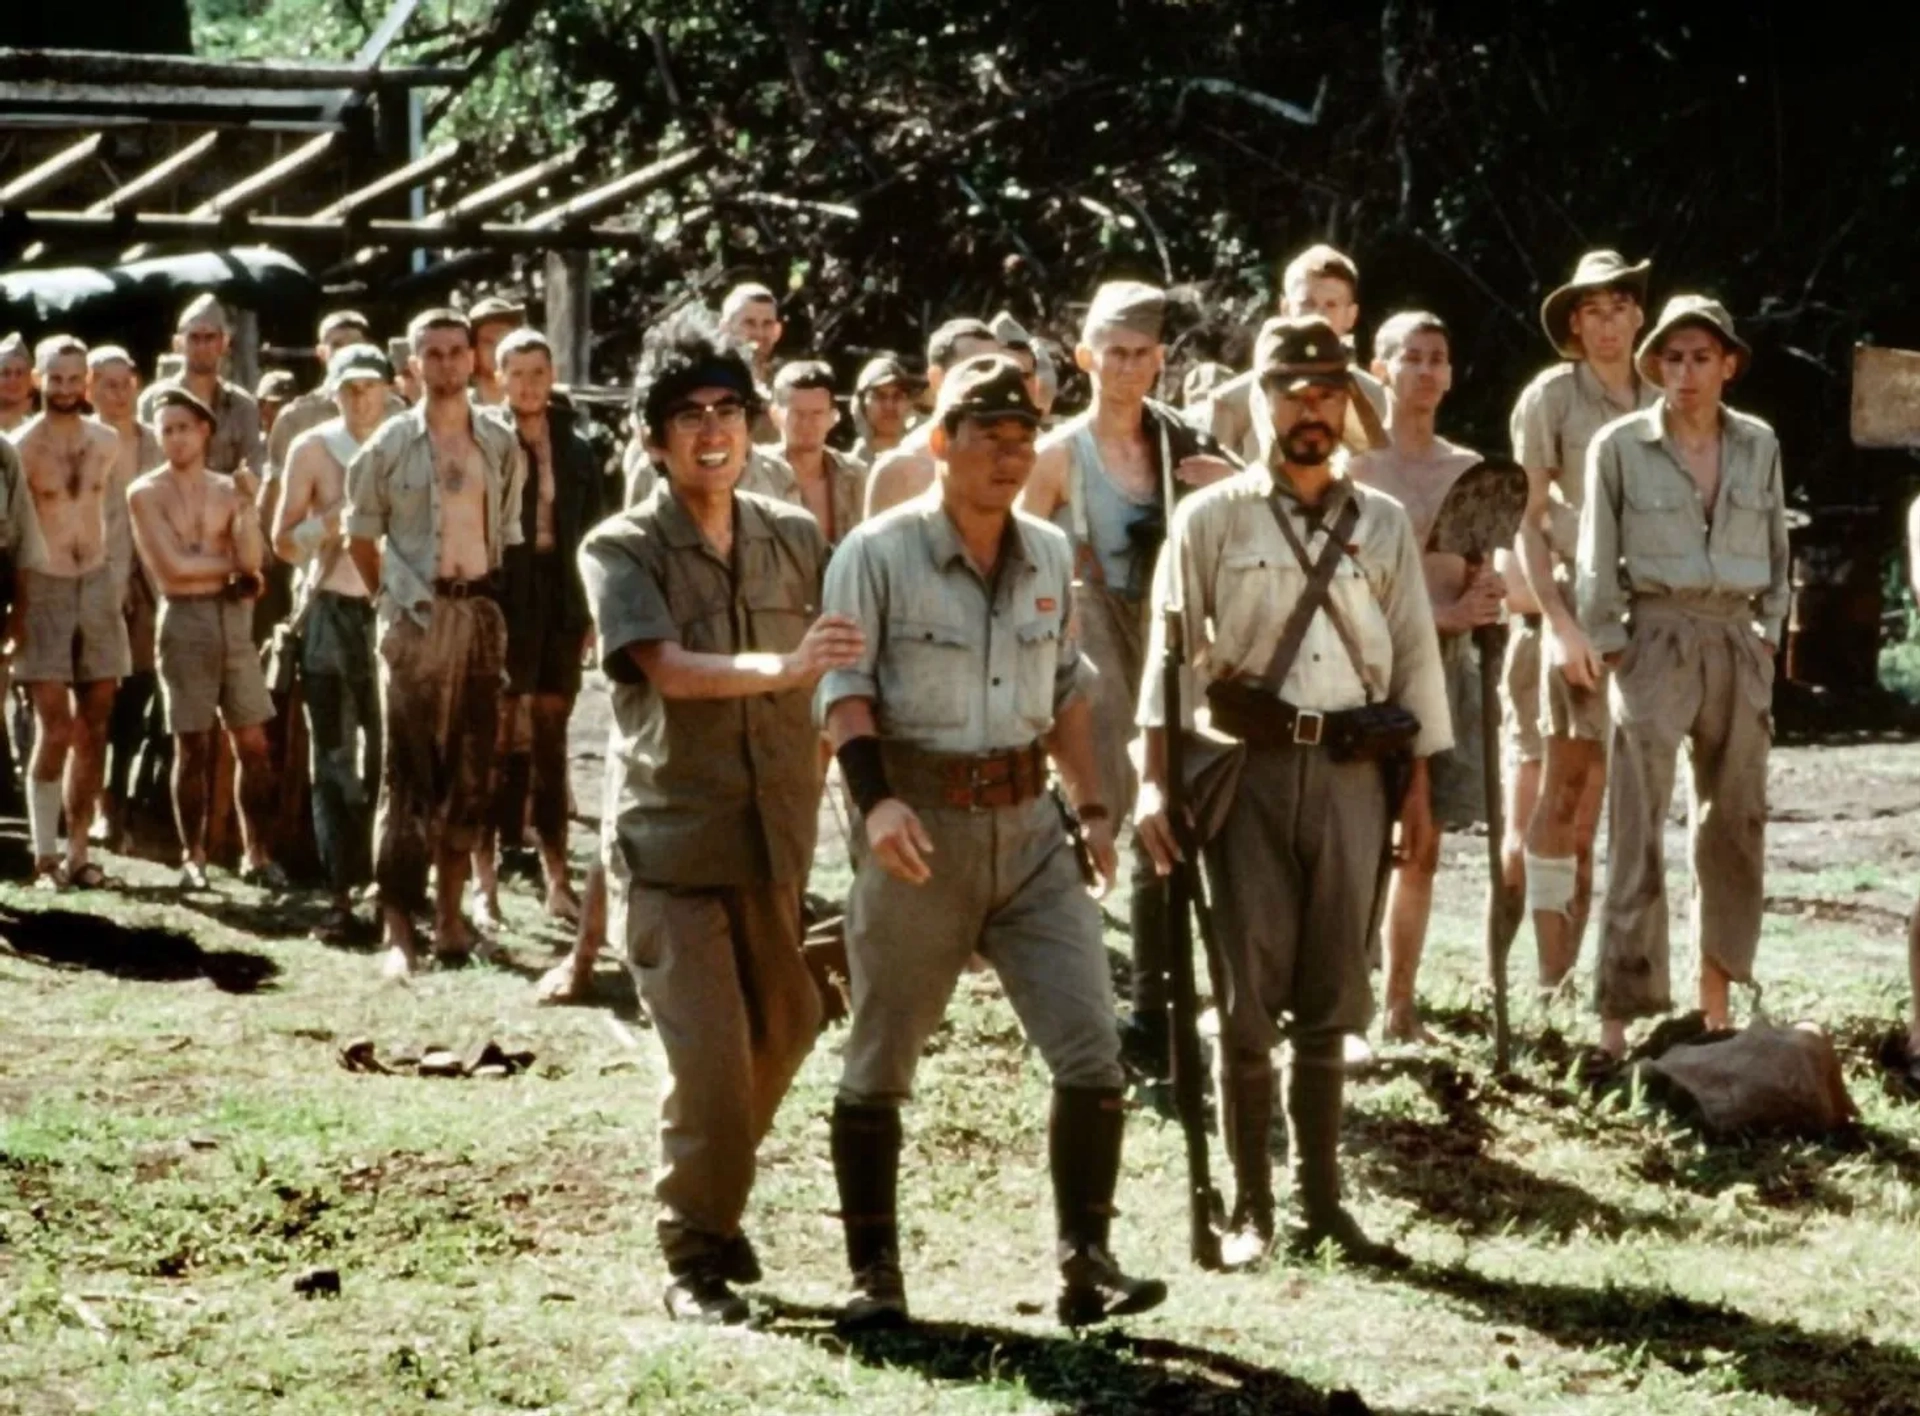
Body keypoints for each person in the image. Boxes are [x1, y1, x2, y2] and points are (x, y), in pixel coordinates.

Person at [819, 352, 1165, 1330]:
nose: (1010, 456)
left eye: (1024, 439)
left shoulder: (1051, 555)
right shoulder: (876, 554)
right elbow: (840, 693)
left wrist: (1093, 814)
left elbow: (1067, 695)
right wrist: (876, 803)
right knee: (882, 1052)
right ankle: (874, 1277)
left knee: (1091, 1046)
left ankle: (1086, 1258)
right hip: (918, 826)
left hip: (1030, 830)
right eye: (988, 437)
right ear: (941, 443)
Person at [1135, 315, 1449, 1269]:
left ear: (1347, 401)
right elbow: (1167, 655)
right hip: (1247, 774)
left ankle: (1323, 1202)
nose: (1308, 409)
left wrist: (1418, 794)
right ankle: (1252, 1206)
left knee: (1334, 995)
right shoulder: (1210, 517)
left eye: (1325, 391)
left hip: (1356, 772)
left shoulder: (1384, 523)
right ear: (1261, 400)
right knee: (1243, 997)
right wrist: (1154, 782)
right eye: (1289, 390)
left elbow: (1415, 667)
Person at [579, 310, 859, 1323]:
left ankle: (712, 1197)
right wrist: (781, 670)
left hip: (772, 836)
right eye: (687, 415)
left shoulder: (794, 536)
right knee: (706, 1058)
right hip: (670, 844)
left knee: (786, 1021)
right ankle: (692, 1251)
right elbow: (664, 668)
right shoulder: (621, 547)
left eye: (729, 410)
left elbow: (849, 664)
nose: (712, 431)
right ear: (654, 438)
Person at [1014, 279, 1236, 1078]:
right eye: (1114, 353)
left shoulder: (1184, 444)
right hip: (1092, 655)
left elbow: (1254, 515)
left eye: (1144, 353)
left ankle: (1172, 1005)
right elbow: (1020, 563)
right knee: (1112, 825)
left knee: (1182, 827)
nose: (1128, 368)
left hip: (1175, 647)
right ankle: (1119, 1006)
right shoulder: (1057, 455)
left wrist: (1222, 491)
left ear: (1163, 359)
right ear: (1085, 357)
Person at [1578, 297, 1787, 1058]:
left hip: (1736, 638)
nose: (1687, 372)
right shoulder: (1620, 446)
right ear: (1656, 366)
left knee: (1734, 825)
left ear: (1728, 365)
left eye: (1702, 357)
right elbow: (1596, 558)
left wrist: (1768, 634)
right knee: (1636, 828)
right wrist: (1611, 647)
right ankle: (1615, 1022)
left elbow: (1777, 551)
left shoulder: (1758, 444)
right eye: (1672, 358)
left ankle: (1716, 1006)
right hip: (1655, 639)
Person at [346, 309, 526, 978]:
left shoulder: (499, 442)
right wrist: (389, 603)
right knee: (408, 777)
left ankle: (451, 920)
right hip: (414, 620)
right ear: (413, 364)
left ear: (473, 360)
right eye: (434, 353)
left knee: (471, 774)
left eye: (457, 351)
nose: (447, 364)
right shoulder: (389, 445)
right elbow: (360, 537)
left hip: (477, 615)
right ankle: (398, 929)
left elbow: (504, 532)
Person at [1511, 251, 1659, 996]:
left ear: (1639, 315)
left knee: (1607, 800)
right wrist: (1558, 626)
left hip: (1647, 611)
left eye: (1619, 309)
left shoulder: (1665, 392)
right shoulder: (1552, 398)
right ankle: (1547, 975)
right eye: (1592, 312)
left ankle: (1590, 976)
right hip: (1573, 600)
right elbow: (1528, 522)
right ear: (1575, 322)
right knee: (1562, 790)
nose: (1607, 326)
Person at [1350, 312, 1499, 1043]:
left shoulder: (1467, 468)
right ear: (1379, 368)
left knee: (1424, 839)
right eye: (1410, 357)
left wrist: (1481, 600)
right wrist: (1433, 618)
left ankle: (1400, 1003)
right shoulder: (1352, 467)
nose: (1426, 371)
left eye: (1438, 358)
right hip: (1360, 675)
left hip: (1444, 677)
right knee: (1354, 838)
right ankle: (1343, 992)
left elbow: (1480, 572)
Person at [473, 328, 606, 927]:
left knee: (553, 742)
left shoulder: (578, 447)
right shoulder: (483, 440)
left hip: (560, 598)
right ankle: (485, 884)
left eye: (537, 372)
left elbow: (594, 531)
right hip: (505, 596)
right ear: (499, 377)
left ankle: (558, 879)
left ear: (551, 377)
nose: (527, 384)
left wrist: (592, 612)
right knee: (494, 741)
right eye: (516, 373)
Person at [127, 389, 284, 892]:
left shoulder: (226, 487)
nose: (174, 437)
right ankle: (193, 855)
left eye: (183, 427)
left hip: (233, 621)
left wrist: (247, 511)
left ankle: (256, 853)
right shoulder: (144, 492)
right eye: (165, 428)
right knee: (191, 743)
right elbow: (172, 572)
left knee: (253, 741)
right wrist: (233, 574)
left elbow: (254, 561)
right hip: (184, 621)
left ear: (204, 431)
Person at [271, 344, 395, 940]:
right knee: (335, 757)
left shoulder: (405, 440)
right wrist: (330, 525)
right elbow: (283, 540)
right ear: (332, 390)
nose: (359, 399)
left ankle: (392, 888)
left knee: (393, 755)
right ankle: (341, 890)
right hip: (327, 610)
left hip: (390, 610)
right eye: (349, 388)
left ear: (389, 389)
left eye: (369, 387)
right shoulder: (312, 448)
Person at [12, 336, 126, 888]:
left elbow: (111, 517)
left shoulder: (107, 441)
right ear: (37, 379)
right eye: (53, 379)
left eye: (72, 379)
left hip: (98, 584)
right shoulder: (19, 447)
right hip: (45, 586)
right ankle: (44, 852)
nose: (63, 389)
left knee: (95, 722)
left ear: (87, 382)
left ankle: (81, 851)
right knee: (54, 725)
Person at [1189, 245, 1389, 462]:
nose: (1319, 316)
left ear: (1351, 316)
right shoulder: (1232, 402)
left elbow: (1381, 472)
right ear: (1285, 309)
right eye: (1307, 304)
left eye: (1331, 305)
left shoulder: (1373, 396)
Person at [85, 346, 163, 853]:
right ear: (90, 388)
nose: (118, 393)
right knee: (96, 703)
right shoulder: (82, 441)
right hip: (94, 583)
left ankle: (126, 807)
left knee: (140, 701)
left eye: (125, 382)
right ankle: (93, 809)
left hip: (152, 585)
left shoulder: (157, 441)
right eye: (107, 384)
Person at [862, 317, 1004, 517]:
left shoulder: (1015, 461)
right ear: (937, 378)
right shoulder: (900, 470)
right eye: (976, 370)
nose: (991, 382)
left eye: (996, 370)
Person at [137, 294, 266, 476]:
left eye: (209, 338)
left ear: (224, 343)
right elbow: (144, 469)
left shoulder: (243, 407)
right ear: (178, 344)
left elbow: (254, 472)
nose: (202, 347)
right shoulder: (153, 401)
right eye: (194, 338)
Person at [768, 360, 865, 544]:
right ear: (775, 415)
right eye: (797, 413)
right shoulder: (752, 474)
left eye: (817, 413)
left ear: (833, 417)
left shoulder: (856, 475)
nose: (807, 424)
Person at [850, 355, 921, 466]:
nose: (889, 406)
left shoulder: (924, 463)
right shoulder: (848, 471)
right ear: (861, 405)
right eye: (879, 396)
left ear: (909, 404)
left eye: (898, 396)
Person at [468, 295, 525, 407]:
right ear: (473, 352)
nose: (499, 347)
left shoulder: (537, 403)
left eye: (505, 339)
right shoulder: (458, 410)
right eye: (488, 342)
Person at [0, 333, 35, 432]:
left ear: (31, 381)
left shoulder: (41, 430)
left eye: (20, 373)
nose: (13, 380)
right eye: (6, 373)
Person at [256, 371, 297, 436]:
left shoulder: (305, 443)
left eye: (275, 405)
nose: (265, 413)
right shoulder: (252, 442)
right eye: (261, 404)